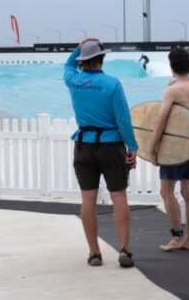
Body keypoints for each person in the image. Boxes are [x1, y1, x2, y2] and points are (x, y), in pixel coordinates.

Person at [64, 38, 138, 268]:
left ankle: (94, 253)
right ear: (102, 58)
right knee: (119, 196)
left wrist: (80, 45)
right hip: (110, 145)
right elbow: (123, 119)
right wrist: (132, 146)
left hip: (84, 145)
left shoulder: (73, 80)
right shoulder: (112, 84)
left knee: (88, 199)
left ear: (82, 60)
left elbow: (66, 65)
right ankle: (124, 251)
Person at [150, 48, 189, 252]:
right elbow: (187, 114)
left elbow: (161, 121)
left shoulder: (172, 90)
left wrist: (152, 150)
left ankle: (176, 237)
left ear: (172, 66)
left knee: (166, 191)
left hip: (175, 145)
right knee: (188, 190)